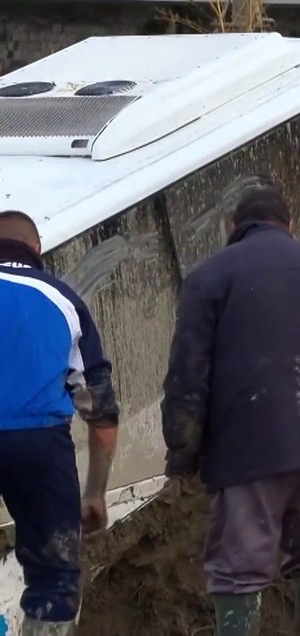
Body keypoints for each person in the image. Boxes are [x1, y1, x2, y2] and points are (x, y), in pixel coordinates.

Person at [161, 184, 300, 636]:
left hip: (245, 453)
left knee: (238, 572)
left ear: (232, 227)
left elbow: (187, 375)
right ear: (290, 225)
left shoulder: (208, 278)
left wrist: (183, 454)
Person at [0, 210, 119, 636]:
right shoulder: (62, 298)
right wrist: (95, 492)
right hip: (38, 447)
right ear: (37, 250)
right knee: (54, 581)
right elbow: (100, 409)